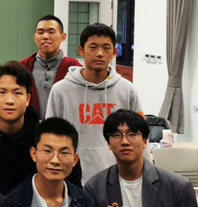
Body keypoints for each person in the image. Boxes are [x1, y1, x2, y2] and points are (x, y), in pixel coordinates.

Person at [46, 22, 142, 182]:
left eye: (106, 48)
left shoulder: (127, 90)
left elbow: (140, 138)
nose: (100, 53)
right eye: (93, 47)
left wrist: (144, 176)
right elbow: (51, 137)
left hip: (117, 177)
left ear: (114, 52)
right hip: (73, 178)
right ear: (81, 50)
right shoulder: (60, 90)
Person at [0, 61, 40, 194]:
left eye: (17, 93)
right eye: (2, 92)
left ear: (28, 99)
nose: (9, 100)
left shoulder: (44, 135)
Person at [20, 15, 81, 116]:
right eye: (40, 32)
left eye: (51, 32)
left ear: (63, 37)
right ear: (35, 37)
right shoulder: (21, 67)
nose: (45, 36)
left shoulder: (74, 69)